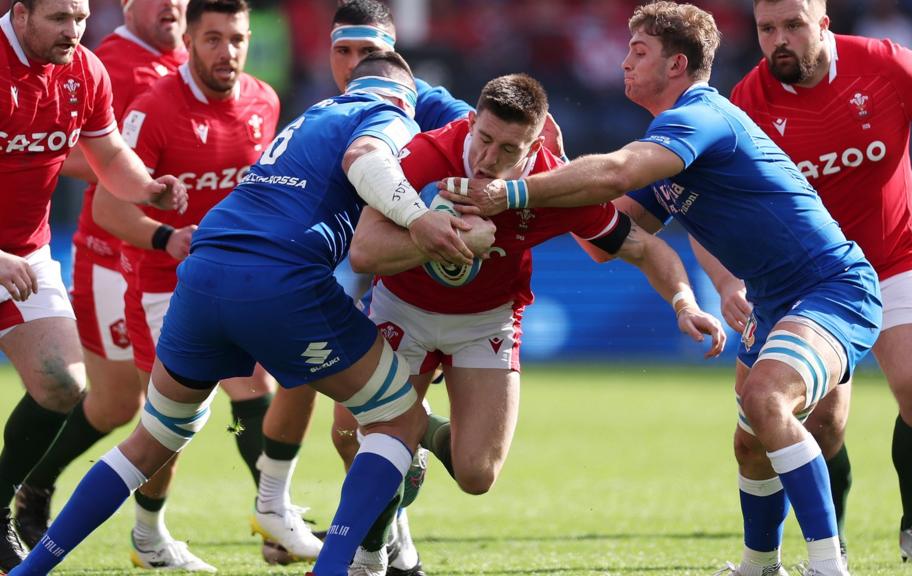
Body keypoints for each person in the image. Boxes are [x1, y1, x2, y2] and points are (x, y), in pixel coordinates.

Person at [443, 3, 885, 575]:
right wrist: (552, 168)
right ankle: (760, 567)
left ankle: (828, 566)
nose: (624, 61)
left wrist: (513, 193)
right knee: (750, 445)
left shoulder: (700, 117)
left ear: (677, 65)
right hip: (779, 304)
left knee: (766, 400)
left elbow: (620, 172)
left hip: (833, 288)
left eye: (639, 52)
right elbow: (602, 236)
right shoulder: (668, 138)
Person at [8, 50, 477, 576]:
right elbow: (367, 160)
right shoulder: (386, 112)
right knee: (397, 417)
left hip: (205, 270)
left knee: (152, 439)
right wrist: (420, 220)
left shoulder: (315, 113)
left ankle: (30, 571)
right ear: (405, 95)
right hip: (279, 279)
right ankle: (339, 565)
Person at [343, 71, 725, 576]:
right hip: (402, 311)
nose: (487, 159)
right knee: (359, 437)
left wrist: (684, 301)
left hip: (487, 322)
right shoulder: (427, 153)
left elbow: (644, 248)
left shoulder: (552, 184)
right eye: (483, 139)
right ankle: (373, 554)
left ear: (536, 142)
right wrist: (447, 239)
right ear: (471, 123)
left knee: (477, 475)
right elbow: (365, 252)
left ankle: (418, 431)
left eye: (508, 149)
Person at [727, 1, 912, 572]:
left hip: (896, 259)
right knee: (821, 425)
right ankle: (829, 541)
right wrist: (727, 277)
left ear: (823, 23)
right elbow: (712, 194)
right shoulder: (748, 101)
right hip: (813, 277)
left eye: (793, 25)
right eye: (767, 29)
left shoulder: (883, 65)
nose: (779, 40)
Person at [250, 1, 474, 571]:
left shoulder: (426, 102)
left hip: (416, 284)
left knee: (368, 428)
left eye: (367, 52)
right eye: (342, 51)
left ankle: (380, 546)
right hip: (350, 274)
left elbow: (512, 130)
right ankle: (290, 514)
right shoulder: (323, 107)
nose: (353, 64)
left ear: (394, 50)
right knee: (332, 408)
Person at [10, 1, 222, 571]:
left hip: (29, 252)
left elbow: (106, 153)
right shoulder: (98, 61)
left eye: (79, 17)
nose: (73, 32)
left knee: (68, 388)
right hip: (51, 255)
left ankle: (6, 502)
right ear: (21, 12)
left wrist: (148, 188)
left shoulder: (85, 67)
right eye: (58, 18)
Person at [88, 0, 282, 569]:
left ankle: (274, 514)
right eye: (214, 39)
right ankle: (148, 536)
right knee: (167, 428)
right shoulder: (152, 110)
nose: (228, 52)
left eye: (238, 39)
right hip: (161, 286)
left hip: (233, 280)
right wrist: (165, 236)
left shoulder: (264, 102)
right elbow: (105, 205)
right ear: (190, 41)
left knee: (256, 391)